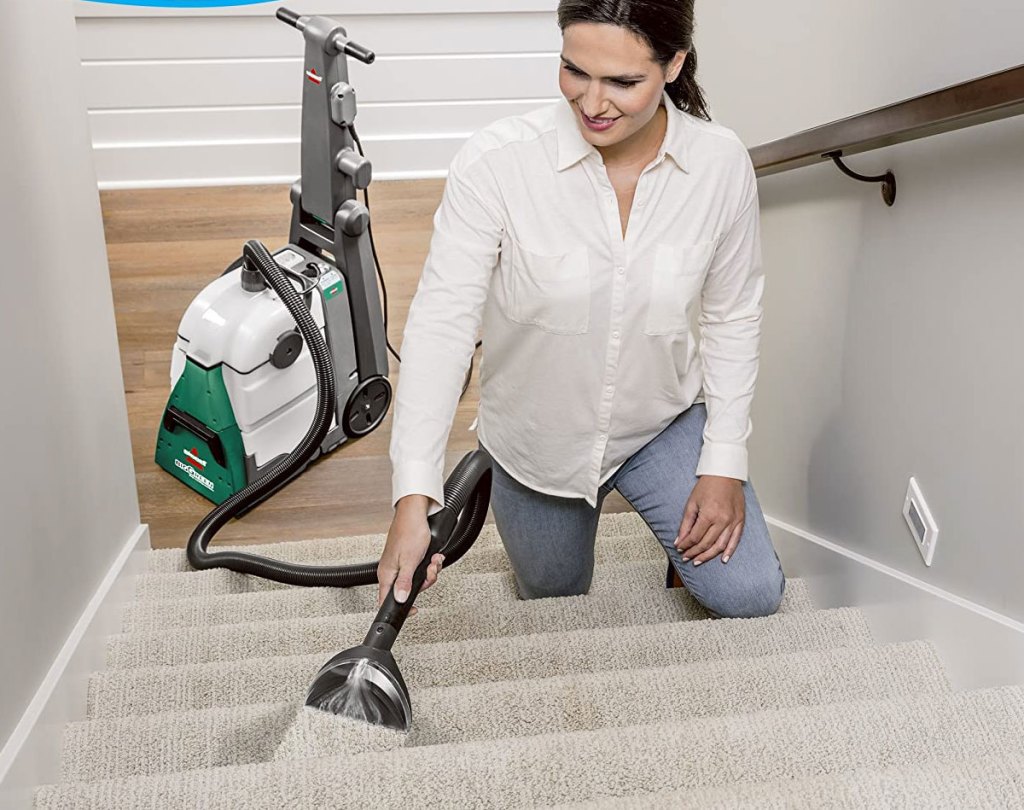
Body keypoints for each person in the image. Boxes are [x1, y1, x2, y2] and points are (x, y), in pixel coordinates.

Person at [377, 0, 786, 619]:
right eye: (575, 71)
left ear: (674, 64)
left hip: (660, 422)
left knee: (750, 594)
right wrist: (413, 495)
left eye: (623, 82)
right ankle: (505, 485)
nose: (593, 104)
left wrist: (723, 462)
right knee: (555, 603)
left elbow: (732, 315)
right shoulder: (497, 164)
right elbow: (442, 326)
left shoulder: (721, 166)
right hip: (538, 442)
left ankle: (680, 542)